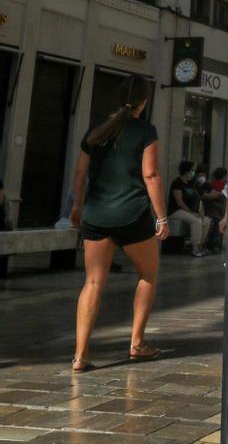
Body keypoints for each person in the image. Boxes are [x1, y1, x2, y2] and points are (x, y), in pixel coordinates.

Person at [70, 76, 168, 372]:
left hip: (97, 215)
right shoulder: (145, 131)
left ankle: (80, 355)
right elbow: (150, 175)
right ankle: (137, 344)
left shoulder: (97, 131)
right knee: (148, 275)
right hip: (132, 215)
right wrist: (161, 216)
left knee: (93, 283)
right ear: (144, 102)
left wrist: (77, 205)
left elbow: (80, 171)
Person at [168, 161, 211, 257]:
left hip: (189, 211)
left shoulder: (191, 183)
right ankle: (195, 249)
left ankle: (201, 246)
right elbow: (179, 202)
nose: (194, 172)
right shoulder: (177, 183)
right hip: (176, 211)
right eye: (192, 170)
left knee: (206, 221)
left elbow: (200, 196)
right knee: (196, 220)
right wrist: (192, 213)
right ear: (186, 171)